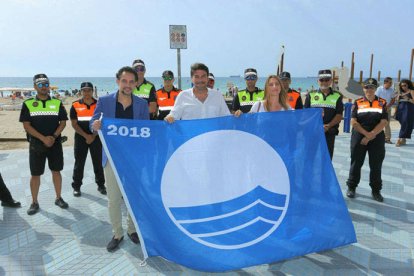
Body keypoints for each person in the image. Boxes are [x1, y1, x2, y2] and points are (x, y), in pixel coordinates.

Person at [90, 66, 149, 252]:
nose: (128, 85)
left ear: (136, 83)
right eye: (124, 81)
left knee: (133, 197)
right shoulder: (105, 101)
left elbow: (146, 130)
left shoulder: (141, 104)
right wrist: (95, 125)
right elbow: (92, 122)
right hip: (112, 159)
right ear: (118, 81)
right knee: (114, 199)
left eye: (132, 81)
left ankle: (132, 230)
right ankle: (117, 233)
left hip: (133, 159)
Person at [19, 74, 69, 215]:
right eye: (40, 84)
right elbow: (26, 126)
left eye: (46, 84)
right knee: (35, 174)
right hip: (36, 145)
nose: (44, 87)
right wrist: (43, 138)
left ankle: (58, 198)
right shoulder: (28, 103)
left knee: (56, 171)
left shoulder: (57, 103)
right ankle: (34, 202)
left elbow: (63, 122)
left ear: (49, 85)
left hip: (55, 143)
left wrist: (52, 137)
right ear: (35, 87)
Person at [346, 78, 388, 202]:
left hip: (376, 136)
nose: (369, 89)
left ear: (376, 89)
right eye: (366, 87)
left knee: (376, 164)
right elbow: (353, 121)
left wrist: (371, 135)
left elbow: (384, 121)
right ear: (363, 88)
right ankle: (352, 187)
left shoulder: (382, 102)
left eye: (371, 87)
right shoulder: (357, 102)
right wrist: (365, 134)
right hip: (359, 136)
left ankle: (376, 190)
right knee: (356, 162)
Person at [70, 82, 106, 197]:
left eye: (89, 90)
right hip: (81, 138)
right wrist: (87, 136)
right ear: (80, 91)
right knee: (79, 163)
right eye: (84, 90)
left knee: (98, 162)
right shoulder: (75, 105)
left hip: (96, 137)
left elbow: (102, 122)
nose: (86, 93)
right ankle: (76, 186)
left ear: (92, 91)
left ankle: (101, 185)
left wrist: (93, 135)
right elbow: (74, 124)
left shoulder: (99, 104)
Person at [165, 63, 230, 122]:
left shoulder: (217, 95)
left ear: (207, 78)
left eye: (203, 76)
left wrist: (238, 116)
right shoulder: (183, 96)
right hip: (191, 135)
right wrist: (169, 118)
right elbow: (173, 116)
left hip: (213, 135)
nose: (200, 80)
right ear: (191, 79)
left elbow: (227, 118)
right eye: (196, 77)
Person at [304, 69, 343, 159]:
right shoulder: (311, 95)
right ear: (318, 81)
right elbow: (306, 114)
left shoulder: (337, 96)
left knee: (327, 159)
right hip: (313, 132)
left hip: (329, 132)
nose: (324, 82)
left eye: (327, 80)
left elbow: (339, 115)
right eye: (321, 80)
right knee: (310, 158)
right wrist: (317, 126)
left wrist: (328, 126)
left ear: (331, 81)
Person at [375, 77, 395, 143]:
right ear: (385, 82)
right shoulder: (379, 89)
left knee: (387, 123)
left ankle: (387, 138)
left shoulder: (392, 90)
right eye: (390, 82)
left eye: (391, 82)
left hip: (387, 109)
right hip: (379, 108)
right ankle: (376, 137)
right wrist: (382, 105)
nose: (391, 84)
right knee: (377, 123)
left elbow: (393, 99)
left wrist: (388, 106)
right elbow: (376, 98)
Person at [394, 79, 414, 147]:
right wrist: (398, 97)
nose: (403, 87)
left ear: (408, 85)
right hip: (400, 109)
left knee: (405, 123)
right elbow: (397, 102)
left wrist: (407, 98)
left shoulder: (411, 91)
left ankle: (399, 139)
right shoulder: (400, 92)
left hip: (408, 110)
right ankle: (404, 139)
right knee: (403, 124)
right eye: (402, 86)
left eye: (405, 85)